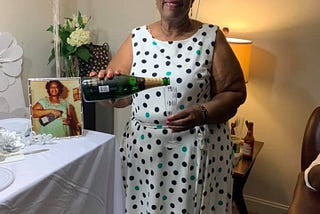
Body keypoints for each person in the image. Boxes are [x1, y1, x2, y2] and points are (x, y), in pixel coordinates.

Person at [90, 0, 246, 213]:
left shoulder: (210, 36)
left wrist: (202, 113)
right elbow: (118, 99)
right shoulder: (137, 38)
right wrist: (102, 87)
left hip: (194, 155)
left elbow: (235, 92)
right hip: (145, 155)